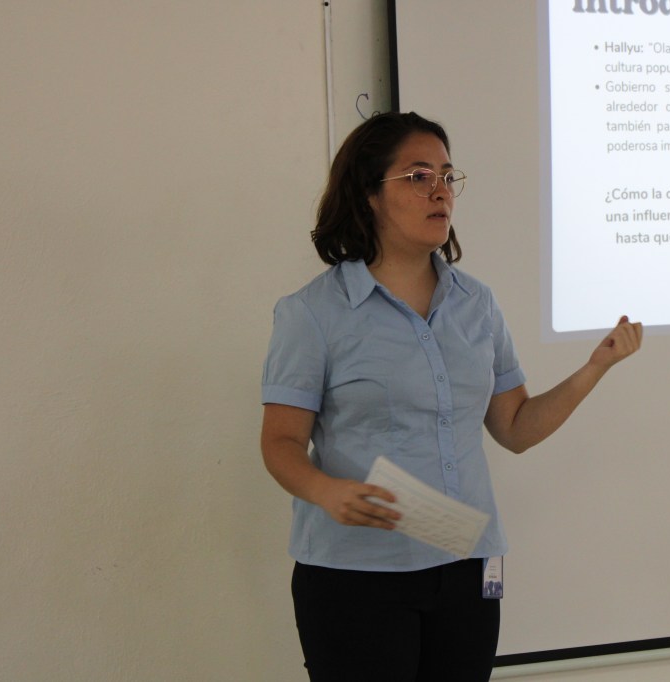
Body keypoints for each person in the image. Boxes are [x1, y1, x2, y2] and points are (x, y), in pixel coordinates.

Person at [260, 112, 643, 681]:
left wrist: (596, 366)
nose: (440, 191)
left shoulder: (476, 304)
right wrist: (325, 490)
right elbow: (281, 442)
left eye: (446, 175)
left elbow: (515, 428)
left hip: (466, 566)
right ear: (369, 194)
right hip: (356, 574)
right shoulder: (313, 313)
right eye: (418, 176)